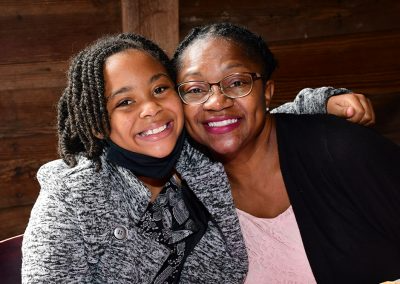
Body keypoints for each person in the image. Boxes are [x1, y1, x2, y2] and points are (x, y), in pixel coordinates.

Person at [21, 32, 373, 283]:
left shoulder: (194, 156)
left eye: (160, 89)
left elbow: (249, 116)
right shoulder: (72, 197)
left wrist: (324, 101)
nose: (151, 109)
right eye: (125, 102)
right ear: (97, 125)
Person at [172, 22, 400, 283]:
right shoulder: (189, 202)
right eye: (195, 90)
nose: (216, 102)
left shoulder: (342, 150)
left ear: (267, 92)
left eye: (236, 83)